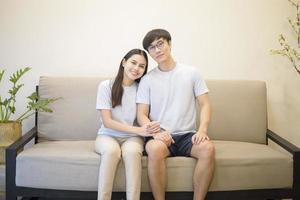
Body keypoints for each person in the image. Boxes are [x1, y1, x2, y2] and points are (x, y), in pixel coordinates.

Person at [136, 29, 215, 200]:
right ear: (149, 53)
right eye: (152, 47)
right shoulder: (147, 80)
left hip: (188, 135)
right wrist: (156, 133)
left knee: (208, 149)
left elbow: (205, 104)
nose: (157, 50)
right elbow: (141, 114)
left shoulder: (191, 72)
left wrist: (202, 130)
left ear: (169, 44)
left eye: (160, 44)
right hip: (161, 134)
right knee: (154, 149)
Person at [95, 49, 156, 200]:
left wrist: (152, 129)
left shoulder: (142, 89)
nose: (136, 68)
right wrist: (139, 130)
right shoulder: (106, 86)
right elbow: (108, 122)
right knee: (111, 152)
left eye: (142, 66)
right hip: (107, 135)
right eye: (133, 63)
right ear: (124, 62)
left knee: (131, 153)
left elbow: (145, 114)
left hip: (133, 138)